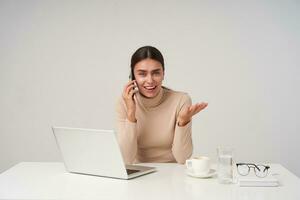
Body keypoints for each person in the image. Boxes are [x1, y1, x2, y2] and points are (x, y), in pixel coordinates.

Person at [115, 46, 208, 164]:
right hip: (139, 174)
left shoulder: (181, 100)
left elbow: (183, 159)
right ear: (133, 77)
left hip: (173, 173)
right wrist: (131, 113)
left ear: (163, 74)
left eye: (156, 73)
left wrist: (182, 122)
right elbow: (125, 160)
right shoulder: (124, 102)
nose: (150, 80)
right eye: (142, 74)